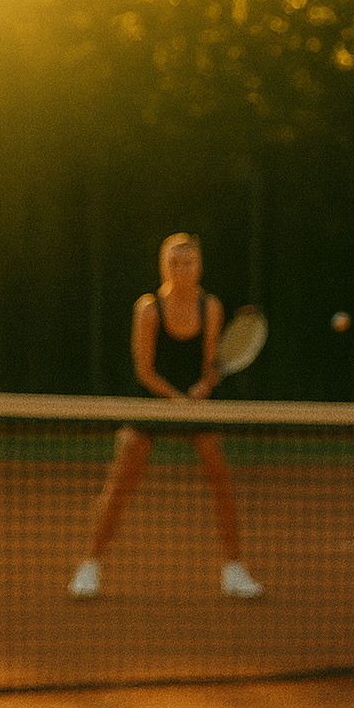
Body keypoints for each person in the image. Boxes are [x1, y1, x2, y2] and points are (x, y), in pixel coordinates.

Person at [67, 232, 264, 601]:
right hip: (151, 404)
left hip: (194, 405)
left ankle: (234, 570)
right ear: (164, 266)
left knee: (222, 482)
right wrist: (176, 400)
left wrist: (205, 386)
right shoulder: (149, 308)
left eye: (188, 262)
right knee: (119, 486)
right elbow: (144, 370)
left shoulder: (212, 307)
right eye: (174, 262)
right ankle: (89, 566)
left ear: (198, 266)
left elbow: (210, 364)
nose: (181, 269)